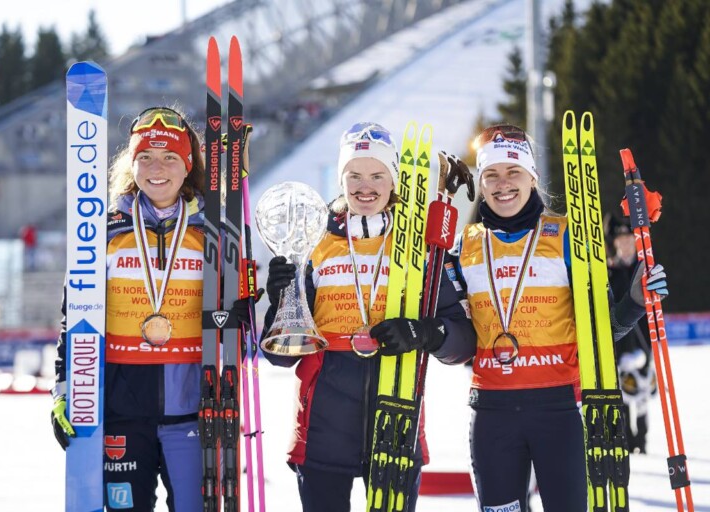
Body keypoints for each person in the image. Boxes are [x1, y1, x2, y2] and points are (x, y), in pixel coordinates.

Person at [447, 124, 669, 511]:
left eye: (513, 172)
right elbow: (456, 338)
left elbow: (600, 332)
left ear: (532, 177)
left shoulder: (567, 236)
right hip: (492, 414)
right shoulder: (463, 248)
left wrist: (632, 303)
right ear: (480, 185)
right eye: (491, 175)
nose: (503, 184)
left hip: (560, 411)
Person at [261, 121, 476, 512]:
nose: (365, 186)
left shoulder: (418, 246)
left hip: (397, 424)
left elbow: (462, 342)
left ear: (394, 180)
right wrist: (281, 305)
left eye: (378, 175)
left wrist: (424, 332)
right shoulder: (315, 244)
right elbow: (279, 355)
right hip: (322, 429)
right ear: (341, 180)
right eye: (354, 175)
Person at [51, 106, 208, 511]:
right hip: (120, 412)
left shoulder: (209, 235)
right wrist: (65, 390)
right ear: (131, 163)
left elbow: (229, 317)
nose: (157, 167)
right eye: (145, 157)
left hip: (190, 412)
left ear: (187, 165)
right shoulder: (103, 233)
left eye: (170, 157)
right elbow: (75, 319)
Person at [605, 212, 660, 454]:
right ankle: (626, 436)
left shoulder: (643, 270)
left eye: (629, 239)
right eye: (620, 240)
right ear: (614, 243)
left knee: (643, 395)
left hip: (643, 342)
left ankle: (643, 438)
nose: (625, 243)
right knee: (622, 393)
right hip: (619, 343)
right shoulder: (608, 272)